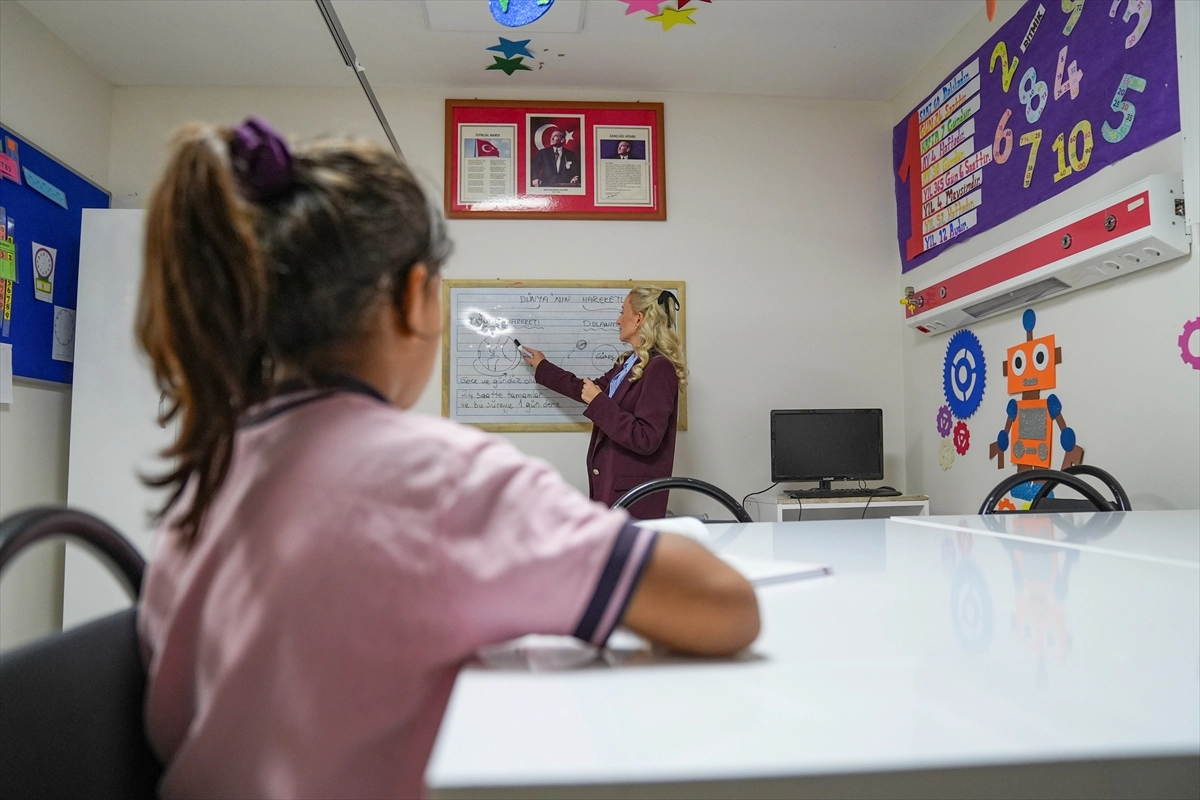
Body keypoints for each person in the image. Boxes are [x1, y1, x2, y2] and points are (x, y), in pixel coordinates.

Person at [134, 118, 757, 800]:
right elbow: (726, 608)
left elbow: (170, 721)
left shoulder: (206, 475)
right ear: (414, 296)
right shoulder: (443, 478)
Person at [521, 287, 686, 520]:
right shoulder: (630, 362)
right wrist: (543, 367)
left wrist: (598, 402)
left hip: (634, 500)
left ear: (638, 319)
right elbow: (587, 390)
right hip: (613, 490)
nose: (618, 320)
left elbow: (646, 438)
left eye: (622, 312)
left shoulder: (660, 368)